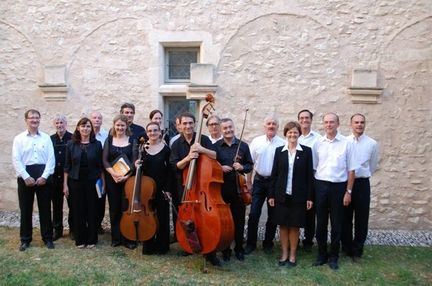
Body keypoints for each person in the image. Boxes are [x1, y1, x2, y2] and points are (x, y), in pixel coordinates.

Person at [169, 112, 221, 266]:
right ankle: (188, 245)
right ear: (179, 125)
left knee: (206, 219)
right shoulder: (176, 144)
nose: (188, 126)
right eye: (184, 123)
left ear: (194, 123)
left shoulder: (203, 139)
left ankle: (210, 252)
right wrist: (188, 157)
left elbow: (215, 155)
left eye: (190, 123)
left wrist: (202, 149)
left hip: (203, 186)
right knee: (185, 217)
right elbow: (175, 165)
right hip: (185, 186)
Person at [312, 112, 357, 270]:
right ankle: (322, 254)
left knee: (337, 223)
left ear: (338, 124)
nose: (329, 125)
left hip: (339, 187)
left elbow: (352, 170)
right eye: (326, 122)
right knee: (321, 223)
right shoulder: (318, 143)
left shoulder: (347, 143)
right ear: (323, 124)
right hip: (321, 186)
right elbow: (315, 167)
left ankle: (334, 256)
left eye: (332, 122)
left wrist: (348, 192)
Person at [268, 121, 314, 267]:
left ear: (299, 134)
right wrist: (271, 195)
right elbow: (274, 175)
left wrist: (309, 197)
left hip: (298, 197)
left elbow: (309, 176)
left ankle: (293, 255)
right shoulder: (279, 151)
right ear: (285, 134)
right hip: (281, 195)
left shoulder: (306, 151)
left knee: (294, 226)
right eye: (290, 132)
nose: (292, 135)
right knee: (282, 225)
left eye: (295, 132)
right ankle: (284, 254)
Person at [12, 109, 55, 251]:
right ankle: (25, 239)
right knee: (25, 209)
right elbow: (16, 159)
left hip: (43, 175)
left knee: (45, 209)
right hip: (26, 175)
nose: (34, 120)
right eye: (32, 118)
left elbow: (51, 159)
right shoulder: (19, 139)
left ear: (39, 119)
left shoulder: (46, 138)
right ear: (26, 120)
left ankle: (47, 238)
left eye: (37, 118)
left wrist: (44, 176)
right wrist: (25, 176)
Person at [244, 115, 285, 255]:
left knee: (273, 215)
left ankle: (268, 243)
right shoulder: (256, 142)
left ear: (277, 127)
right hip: (259, 181)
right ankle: (251, 244)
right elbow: (249, 163)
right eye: (268, 123)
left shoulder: (282, 143)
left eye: (274, 123)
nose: (271, 126)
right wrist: (248, 181)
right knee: (254, 213)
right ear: (264, 126)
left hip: (275, 183)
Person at [214, 118, 253, 262]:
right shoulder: (216, 147)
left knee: (239, 221)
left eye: (230, 127)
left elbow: (250, 165)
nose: (228, 130)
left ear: (233, 127)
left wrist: (242, 167)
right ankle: (225, 249)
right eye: (225, 128)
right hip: (222, 190)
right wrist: (220, 168)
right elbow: (211, 166)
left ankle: (239, 249)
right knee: (224, 222)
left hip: (238, 190)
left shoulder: (243, 146)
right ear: (221, 130)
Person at [342, 114, 379, 261]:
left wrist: (363, 175)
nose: (359, 125)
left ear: (365, 124)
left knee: (361, 218)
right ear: (351, 124)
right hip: (345, 183)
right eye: (356, 122)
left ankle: (357, 250)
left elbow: (373, 165)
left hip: (362, 183)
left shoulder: (372, 144)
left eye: (362, 122)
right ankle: (346, 247)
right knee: (345, 217)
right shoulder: (344, 142)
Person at [63, 117, 103, 248]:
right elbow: (67, 166)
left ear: (91, 129)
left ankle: (92, 239)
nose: (85, 129)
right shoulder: (70, 144)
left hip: (92, 181)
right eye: (83, 126)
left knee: (92, 209)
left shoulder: (97, 144)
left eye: (88, 126)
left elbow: (100, 166)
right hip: (75, 182)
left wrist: (103, 184)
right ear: (78, 128)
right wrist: (65, 185)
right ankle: (80, 239)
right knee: (78, 209)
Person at [102, 115, 137, 249]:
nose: (120, 128)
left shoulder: (132, 140)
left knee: (126, 208)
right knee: (114, 209)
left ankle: (128, 238)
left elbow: (134, 161)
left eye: (123, 125)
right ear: (114, 125)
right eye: (118, 125)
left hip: (127, 180)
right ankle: (116, 238)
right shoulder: (109, 140)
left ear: (126, 126)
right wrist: (114, 174)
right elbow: (105, 160)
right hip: (113, 180)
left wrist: (126, 176)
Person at [141, 122, 172, 255]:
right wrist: (137, 165)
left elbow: (170, 171)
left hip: (161, 189)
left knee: (162, 217)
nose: (152, 133)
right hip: (147, 190)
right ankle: (148, 245)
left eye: (155, 130)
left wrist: (168, 189)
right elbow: (140, 170)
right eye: (150, 131)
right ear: (147, 133)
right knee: (147, 217)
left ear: (160, 132)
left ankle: (162, 246)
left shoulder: (166, 149)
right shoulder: (143, 149)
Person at [297, 109, 321, 251]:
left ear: (311, 120)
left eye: (307, 118)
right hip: (296, 179)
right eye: (302, 118)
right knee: (297, 208)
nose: (304, 120)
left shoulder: (318, 138)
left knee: (310, 210)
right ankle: (295, 237)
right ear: (299, 120)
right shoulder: (294, 136)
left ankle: (308, 240)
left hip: (312, 177)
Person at [50, 114, 73, 241]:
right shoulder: (50, 139)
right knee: (57, 205)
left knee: (72, 205)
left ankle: (73, 229)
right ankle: (57, 230)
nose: (59, 125)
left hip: (69, 178)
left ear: (66, 124)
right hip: (55, 178)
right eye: (57, 123)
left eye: (62, 122)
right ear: (54, 125)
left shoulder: (72, 138)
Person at [90, 111, 109, 235]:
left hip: (102, 173)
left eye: (99, 118)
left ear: (101, 121)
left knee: (100, 198)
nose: (97, 120)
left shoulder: (106, 135)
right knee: (89, 199)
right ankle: (89, 224)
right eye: (94, 118)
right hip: (89, 173)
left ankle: (98, 224)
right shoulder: (85, 134)